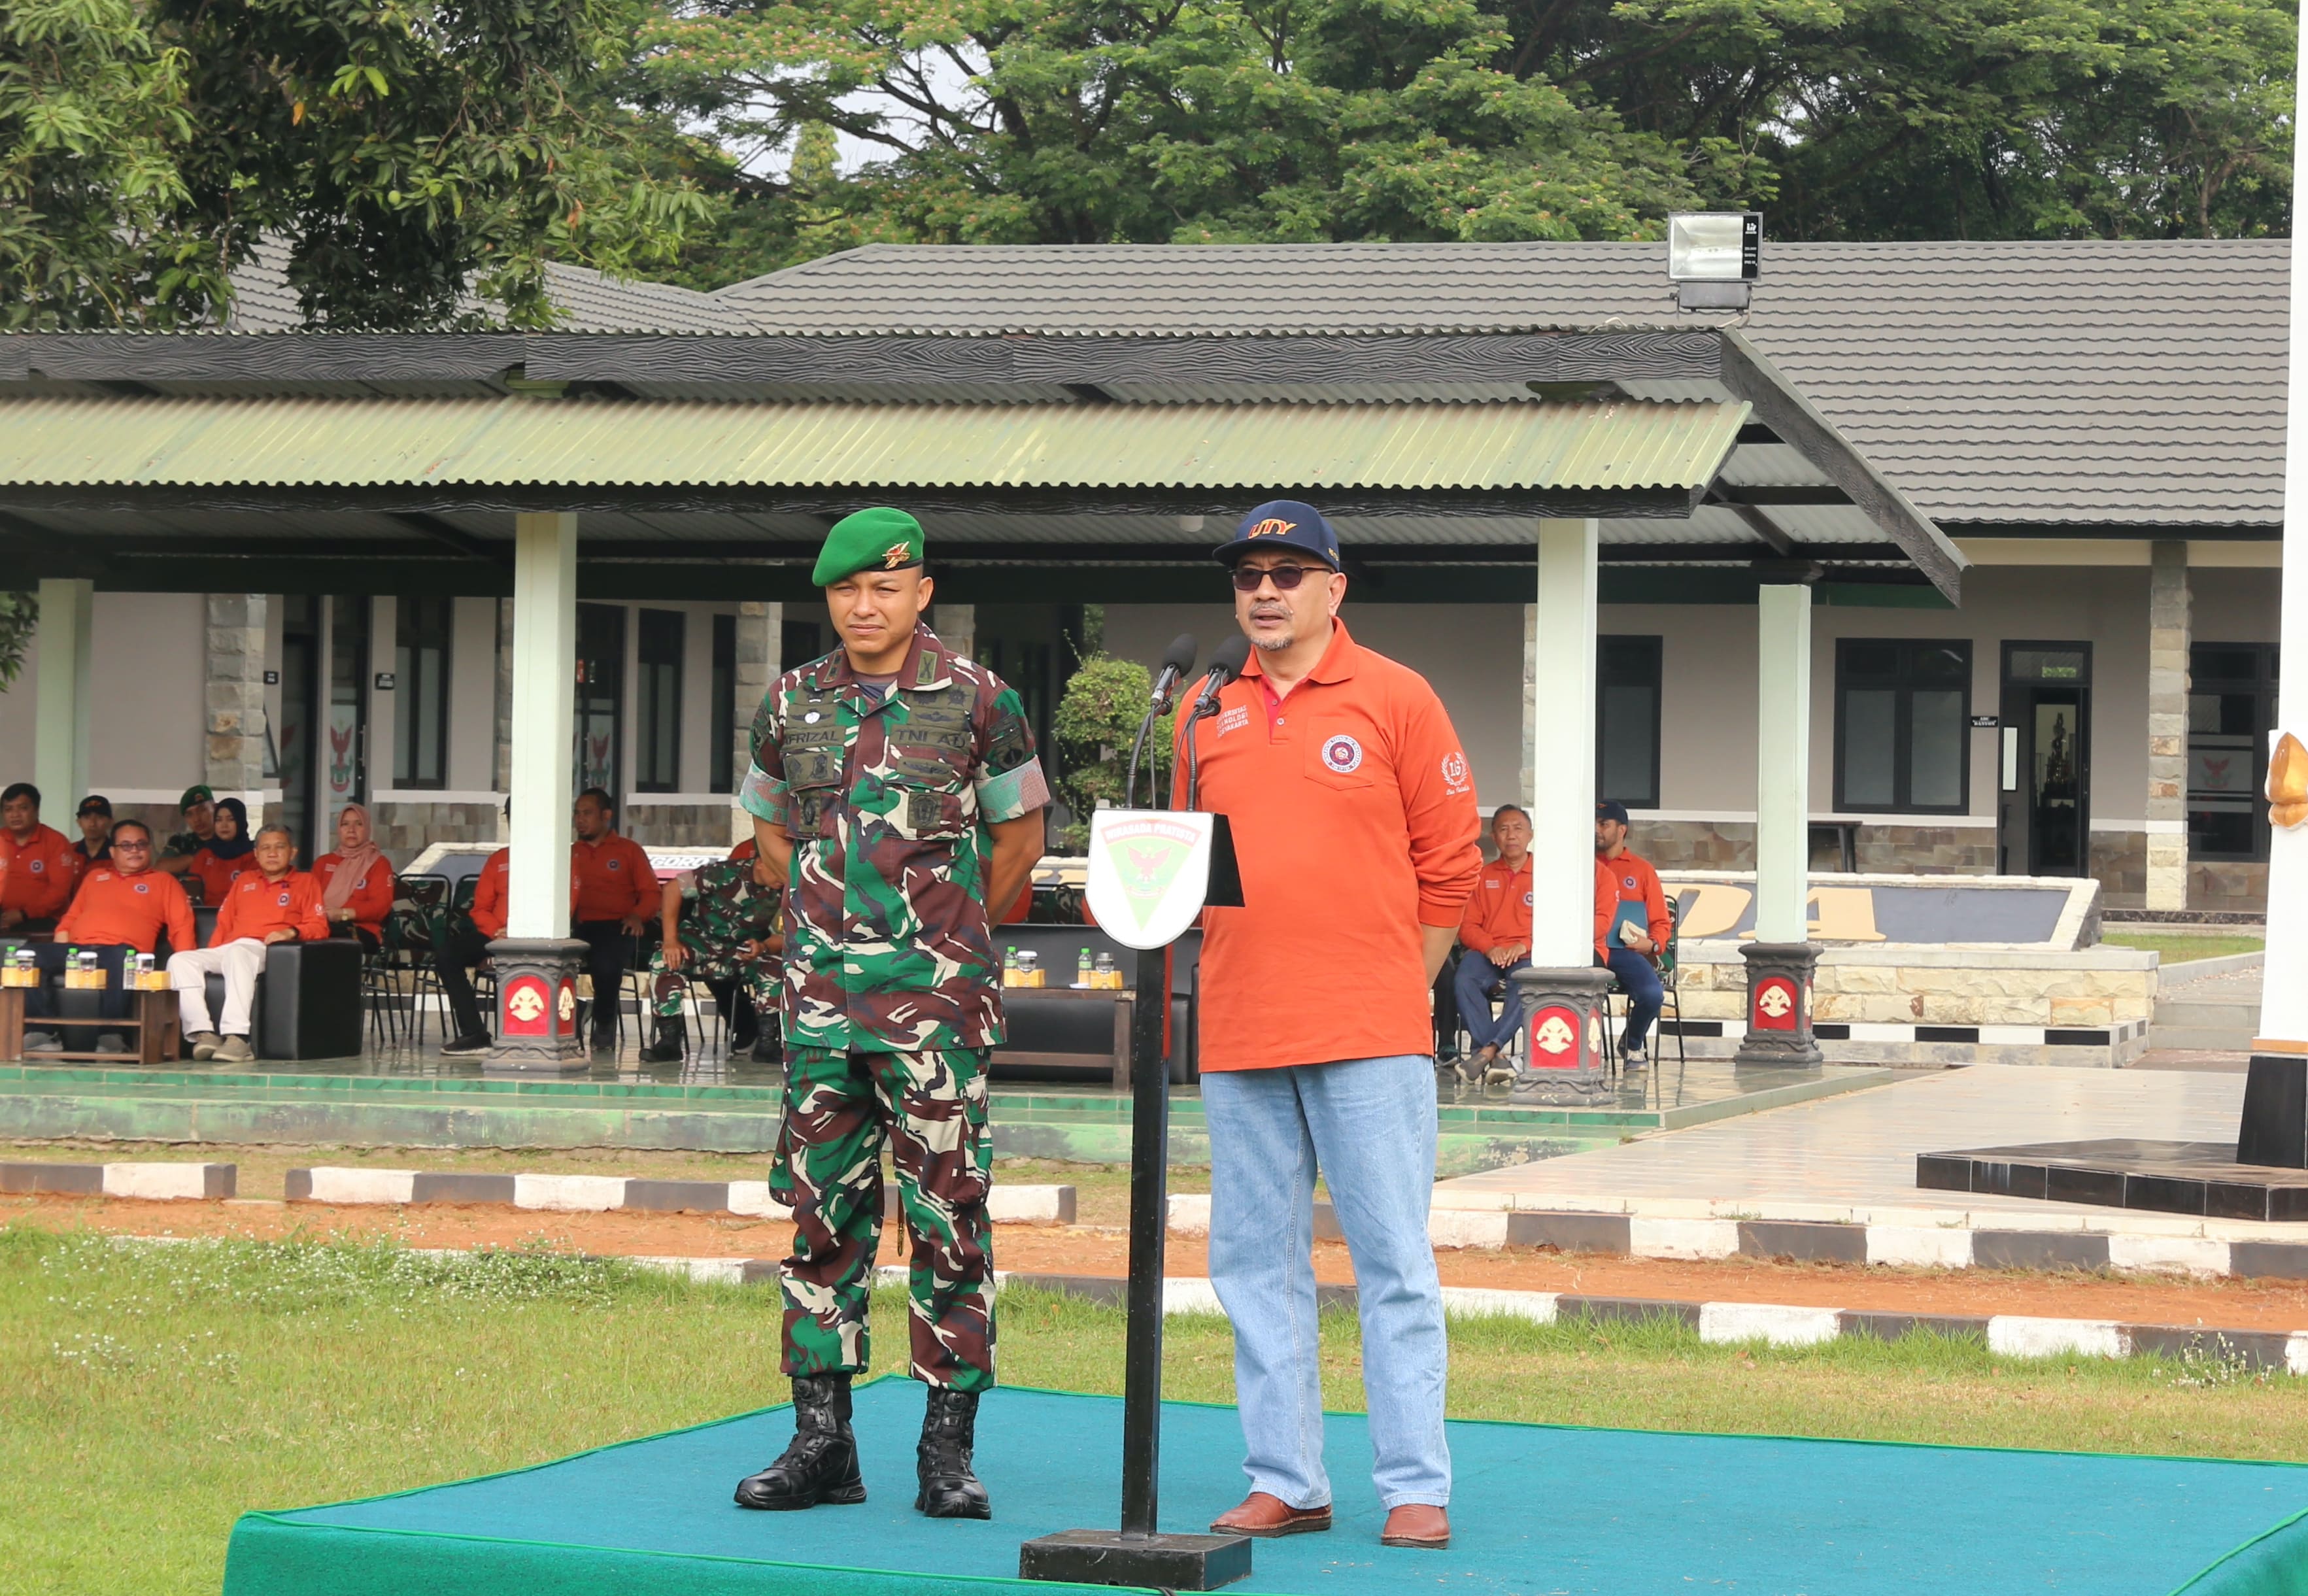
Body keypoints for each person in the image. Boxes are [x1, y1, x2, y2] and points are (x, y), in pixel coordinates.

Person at [733, 507, 1048, 1521]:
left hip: (937, 1019)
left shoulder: (980, 701)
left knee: (948, 1222)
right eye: (843, 591)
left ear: (921, 592)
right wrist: (830, 926)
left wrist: (939, 939)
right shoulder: (789, 702)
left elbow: (1021, 842)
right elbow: (768, 829)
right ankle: (821, 1441)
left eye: (883, 587)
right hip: (822, 1015)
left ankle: (945, 1450)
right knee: (820, 1220)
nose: (862, 606)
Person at [1179, 501, 1480, 1553]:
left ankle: (1413, 1483)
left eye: (1289, 571)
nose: (1265, 590)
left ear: (1333, 588)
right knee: (1254, 1262)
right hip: (1241, 1026)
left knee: (1391, 1259)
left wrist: (1399, 983)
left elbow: (1452, 867)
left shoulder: (1399, 697)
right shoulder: (1202, 707)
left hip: (1368, 1028)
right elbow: (1178, 860)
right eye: (1249, 574)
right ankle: (1287, 1478)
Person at [21, 821, 195, 1054]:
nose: (134, 850)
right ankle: (41, 1032)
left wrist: (185, 967)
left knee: (121, 956)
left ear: (150, 848)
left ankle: (110, 1036)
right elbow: (70, 918)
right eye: (126, 845)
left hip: (124, 952)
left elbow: (181, 926)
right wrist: (60, 957)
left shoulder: (164, 882)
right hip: (80, 950)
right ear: (112, 852)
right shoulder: (95, 877)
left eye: (140, 844)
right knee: (30, 954)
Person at [167, 823, 328, 1062]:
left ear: (292, 852)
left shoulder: (306, 882)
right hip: (232, 947)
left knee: (239, 953)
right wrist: (212, 955)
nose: (272, 853)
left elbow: (320, 926)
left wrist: (291, 932)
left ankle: (238, 1038)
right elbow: (224, 923)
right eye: (265, 848)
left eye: (279, 847)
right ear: (256, 854)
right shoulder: (244, 880)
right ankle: (203, 1033)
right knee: (180, 960)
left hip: (268, 949)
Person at [637, 851, 783, 1064]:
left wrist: (763, 947)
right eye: (777, 870)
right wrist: (670, 940)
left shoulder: (790, 887)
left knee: (776, 966)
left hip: (743, 948)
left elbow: (791, 934)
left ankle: (767, 1044)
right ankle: (669, 1042)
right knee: (663, 960)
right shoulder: (724, 872)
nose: (782, 877)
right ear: (760, 863)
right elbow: (673, 888)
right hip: (699, 940)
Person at [1453, 804, 1534, 1085]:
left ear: (1530, 835)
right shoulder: (1482, 876)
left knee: (1528, 985)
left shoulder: (1546, 877)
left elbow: (1556, 923)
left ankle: (1485, 1051)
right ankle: (1496, 1058)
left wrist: (1525, 945)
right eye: (1503, 829)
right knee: (1464, 978)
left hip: (1526, 953)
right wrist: (1490, 948)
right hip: (1490, 952)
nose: (1511, 835)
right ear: (1494, 837)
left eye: (1518, 828)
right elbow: (1468, 926)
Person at [570, 789, 654, 1049]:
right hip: (577, 925)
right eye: (577, 813)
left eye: (587, 813)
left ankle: (604, 1025)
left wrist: (638, 915)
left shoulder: (629, 851)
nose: (580, 819)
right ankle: (573, 1014)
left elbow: (651, 893)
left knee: (606, 966)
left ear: (606, 816)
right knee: (551, 962)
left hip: (617, 926)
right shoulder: (569, 852)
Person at [1595, 802, 1672, 1068]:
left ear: (1622, 829)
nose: (1597, 830)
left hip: (1624, 952)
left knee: (1652, 994)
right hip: (1588, 950)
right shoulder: (1582, 866)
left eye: (1604, 824)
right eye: (1594, 824)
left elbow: (1661, 923)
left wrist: (1650, 944)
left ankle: (1632, 1043)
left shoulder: (1642, 870)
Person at [0, 783, 81, 932]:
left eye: (23, 808)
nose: (15, 815)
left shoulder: (56, 842)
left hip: (42, 919)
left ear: (36, 810)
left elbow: (58, 892)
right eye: (8, 809)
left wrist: (23, 914)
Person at [313, 802, 395, 949]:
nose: (351, 830)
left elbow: (381, 907)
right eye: (345, 824)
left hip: (361, 930)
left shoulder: (378, 863)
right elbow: (309, 900)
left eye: (359, 824)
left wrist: (343, 914)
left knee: (326, 941)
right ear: (339, 829)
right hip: (320, 924)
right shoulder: (323, 862)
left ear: (368, 828)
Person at [184, 797, 257, 908]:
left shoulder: (253, 855)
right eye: (219, 820)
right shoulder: (205, 854)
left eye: (231, 819)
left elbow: (252, 895)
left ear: (241, 821)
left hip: (240, 916)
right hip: (206, 917)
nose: (224, 825)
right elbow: (193, 891)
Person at [158, 785, 217, 876]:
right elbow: (160, 868)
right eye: (189, 815)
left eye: (202, 810)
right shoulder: (181, 841)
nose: (197, 819)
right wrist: (199, 858)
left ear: (215, 808)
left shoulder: (229, 841)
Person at [71, 796, 114, 870]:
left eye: (100, 817)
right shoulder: (69, 851)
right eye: (87, 817)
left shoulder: (118, 854)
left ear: (110, 822)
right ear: (79, 822)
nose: (92, 824)